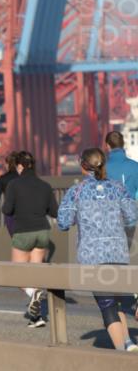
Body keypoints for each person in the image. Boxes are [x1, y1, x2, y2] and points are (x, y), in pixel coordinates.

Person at [58, 148, 138, 351]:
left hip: (93, 255)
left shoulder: (76, 191)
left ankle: (123, 356)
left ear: (83, 166)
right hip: (119, 252)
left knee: (106, 305)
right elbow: (131, 216)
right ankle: (128, 343)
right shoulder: (118, 187)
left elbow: (63, 222)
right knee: (116, 301)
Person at [2, 151, 59, 328]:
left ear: (19, 166)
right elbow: (54, 212)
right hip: (42, 231)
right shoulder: (45, 185)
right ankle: (37, 318)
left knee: (16, 276)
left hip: (23, 231)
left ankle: (32, 294)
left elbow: (7, 209)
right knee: (35, 274)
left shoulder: (13, 184)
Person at [0, 152, 20, 236]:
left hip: (10, 213)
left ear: (8, 164)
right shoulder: (24, 178)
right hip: (25, 212)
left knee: (15, 239)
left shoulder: (3, 179)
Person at [105, 130, 138, 199]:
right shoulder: (135, 166)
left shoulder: (102, 168)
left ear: (108, 145)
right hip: (131, 208)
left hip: (109, 208)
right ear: (123, 144)